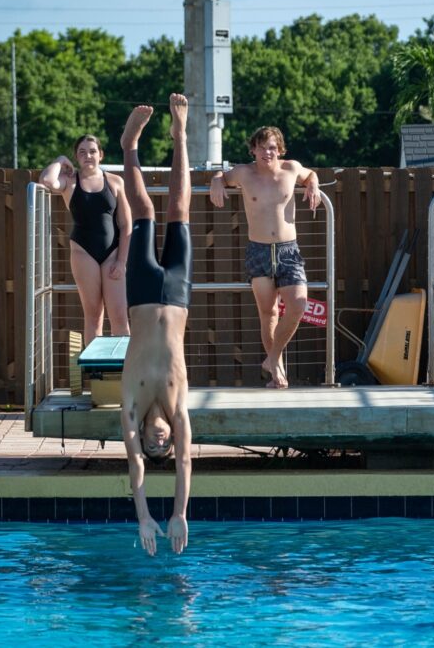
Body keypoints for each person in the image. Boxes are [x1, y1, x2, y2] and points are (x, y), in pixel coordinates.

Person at [119, 95, 193, 556]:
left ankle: (129, 146)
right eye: (162, 443)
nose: (159, 441)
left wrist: (146, 515)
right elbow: (185, 461)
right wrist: (180, 511)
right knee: (180, 208)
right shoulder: (178, 406)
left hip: (145, 294)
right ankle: (180, 136)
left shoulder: (132, 406)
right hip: (179, 294)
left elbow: (134, 467)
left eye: (153, 444)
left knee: (144, 209)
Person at [208, 126, 321, 389]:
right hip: (258, 250)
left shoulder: (291, 169)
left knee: (298, 306)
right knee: (267, 313)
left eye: (271, 147)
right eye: (261, 147)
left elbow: (310, 174)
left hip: (288, 250)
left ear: (280, 150)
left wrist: (313, 184)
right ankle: (276, 373)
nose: (266, 152)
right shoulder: (244, 173)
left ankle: (272, 358)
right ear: (253, 150)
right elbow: (221, 177)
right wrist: (216, 180)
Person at [39, 135, 131, 346]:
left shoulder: (115, 182)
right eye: (82, 152)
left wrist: (122, 262)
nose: (88, 156)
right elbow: (46, 180)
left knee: (119, 316)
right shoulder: (70, 182)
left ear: (101, 155)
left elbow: (126, 225)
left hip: (113, 255)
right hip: (83, 253)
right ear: (76, 158)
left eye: (92, 151)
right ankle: (93, 373)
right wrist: (61, 160)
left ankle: (125, 372)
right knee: (93, 316)